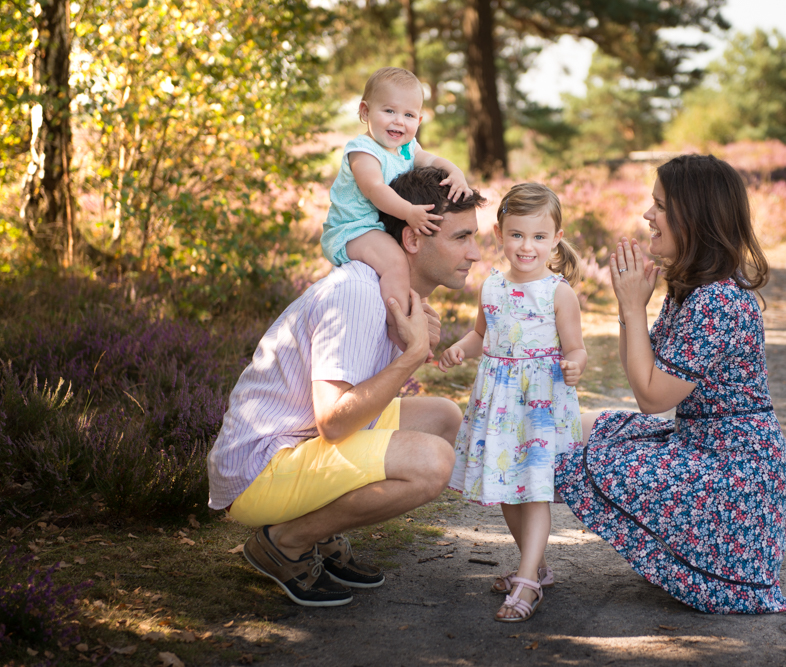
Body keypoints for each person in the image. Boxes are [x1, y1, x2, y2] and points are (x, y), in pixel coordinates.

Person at [207, 167, 485, 607]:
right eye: (461, 238)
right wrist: (412, 356)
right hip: (262, 467)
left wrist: (412, 342)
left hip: (301, 445)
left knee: (443, 418)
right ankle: (286, 543)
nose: (475, 254)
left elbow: (359, 404)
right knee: (433, 462)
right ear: (413, 239)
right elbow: (334, 422)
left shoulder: (399, 293)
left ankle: (322, 527)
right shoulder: (356, 294)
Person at [554, 155, 786, 614]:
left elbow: (650, 398)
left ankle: (716, 561)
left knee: (582, 459)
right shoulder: (695, 289)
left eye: (660, 206)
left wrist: (629, 307)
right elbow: (638, 370)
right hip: (701, 445)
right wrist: (636, 309)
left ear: (694, 219)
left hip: (735, 476)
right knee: (572, 426)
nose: (648, 215)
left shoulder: (718, 301)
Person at [439, 183, 587, 622]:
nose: (527, 246)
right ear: (501, 234)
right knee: (507, 490)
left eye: (539, 237)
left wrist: (574, 364)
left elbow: (575, 348)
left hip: (539, 405)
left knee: (535, 492)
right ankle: (535, 566)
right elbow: (481, 335)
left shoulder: (558, 293)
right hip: (499, 403)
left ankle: (526, 582)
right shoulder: (492, 286)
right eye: (517, 234)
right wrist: (460, 349)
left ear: (556, 238)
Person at [322, 66, 473, 347]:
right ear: (365, 112)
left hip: (377, 227)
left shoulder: (406, 147)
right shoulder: (363, 150)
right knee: (395, 262)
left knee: (412, 270)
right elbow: (375, 189)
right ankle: (397, 331)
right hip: (353, 229)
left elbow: (430, 159)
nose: (399, 122)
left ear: (419, 119)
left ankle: (418, 323)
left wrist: (456, 173)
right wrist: (408, 212)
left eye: (409, 115)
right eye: (389, 111)